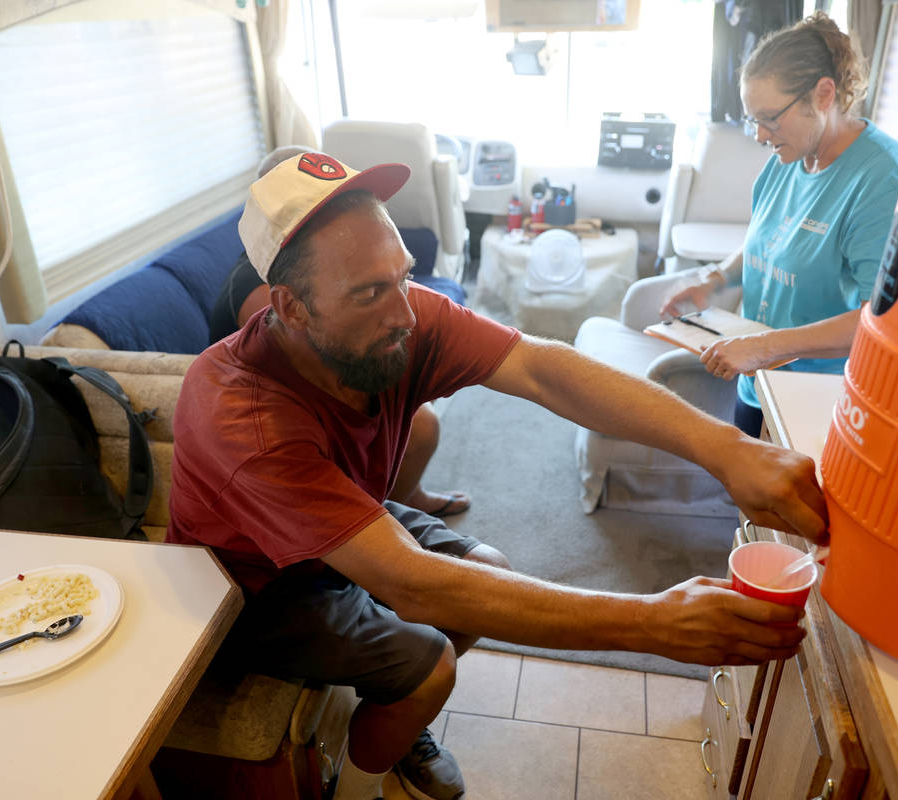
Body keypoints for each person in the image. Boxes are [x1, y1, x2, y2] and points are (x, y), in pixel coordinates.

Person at [168, 151, 829, 800]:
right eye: (370, 292)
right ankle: (362, 784)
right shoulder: (241, 412)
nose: (404, 312)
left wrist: (726, 449)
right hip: (254, 586)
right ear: (291, 307)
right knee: (430, 668)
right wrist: (652, 624)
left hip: (339, 517)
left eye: (402, 276)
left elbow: (541, 368)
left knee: (489, 564)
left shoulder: (400, 318)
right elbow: (412, 582)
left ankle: (394, 722)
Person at [661, 12, 898, 436]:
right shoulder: (788, 156)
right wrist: (716, 279)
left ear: (823, 94)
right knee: (744, 498)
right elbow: (768, 241)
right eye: (752, 120)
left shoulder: (883, 180)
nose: (760, 136)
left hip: (818, 399)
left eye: (769, 118)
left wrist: (765, 348)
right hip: (757, 381)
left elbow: (881, 320)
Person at [208, 145, 471, 517]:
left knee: (421, 422)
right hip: (290, 414)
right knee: (421, 424)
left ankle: (405, 498)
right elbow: (314, 364)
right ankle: (386, 510)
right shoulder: (258, 289)